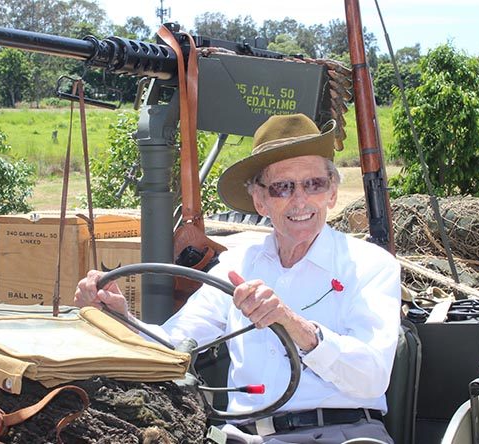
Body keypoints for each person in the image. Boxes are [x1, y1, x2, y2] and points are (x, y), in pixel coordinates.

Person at [75, 114, 401, 444]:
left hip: (344, 435)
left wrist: (294, 325)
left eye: (313, 184)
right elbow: (173, 346)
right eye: (283, 187)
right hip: (243, 437)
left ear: (331, 192)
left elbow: (372, 378)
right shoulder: (236, 267)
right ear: (259, 200)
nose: (300, 200)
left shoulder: (369, 265)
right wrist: (120, 319)